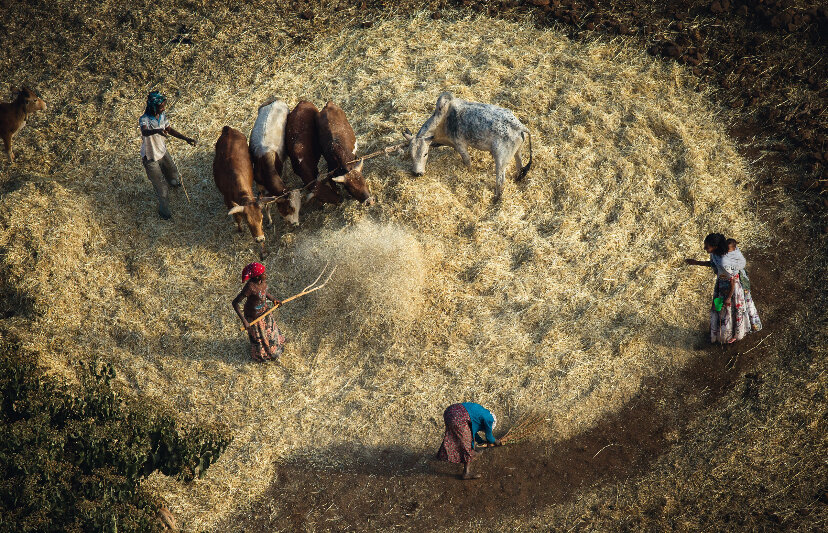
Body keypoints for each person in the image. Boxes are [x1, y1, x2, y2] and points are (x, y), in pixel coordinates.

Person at [685, 233, 758, 344]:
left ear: (715, 247)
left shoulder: (725, 261)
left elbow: (733, 280)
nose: (705, 248)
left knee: (732, 310)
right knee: (725, 312)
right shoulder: (715, 254)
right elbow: (713, 264)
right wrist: (696, 262)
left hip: (732, 289)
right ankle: (726, 333)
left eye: (707, 246)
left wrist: (729, 297)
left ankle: (735, 334)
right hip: (722, 284)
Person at [139, 91, 196, 219]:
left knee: (173, 172)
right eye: (161, 106)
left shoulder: (162, 115)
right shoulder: (145, 119)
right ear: (153, 106)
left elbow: (169, 129)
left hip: (162, 152)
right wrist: (157, 131)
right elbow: (145, 131)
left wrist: (186, 138)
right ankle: (164, 212)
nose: (163, 108)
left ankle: (174, 183)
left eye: (164, 106)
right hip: (151, 158)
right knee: (162, 188)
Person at [232, 262, 285, 362]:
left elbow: (264, 292)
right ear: (256, 277)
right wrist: (244, 321)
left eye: (264, 272)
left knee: (270, 332)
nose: (266, 275)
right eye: (263, 273)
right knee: (260, 339)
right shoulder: (250, 287)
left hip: (265, 312)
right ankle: (263, 355)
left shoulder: (263, 282)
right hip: (254, 317)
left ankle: (274, 348)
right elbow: (235, 303)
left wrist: (273, 299)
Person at [436, 402, 502, 480]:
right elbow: (490, 437)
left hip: (449, 412)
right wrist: (497, 442)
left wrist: (481, 442)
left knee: (455, 438)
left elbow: (472, 433)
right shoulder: (490, 419)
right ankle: (466, 473)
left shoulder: (480, 413)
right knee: (468, 446)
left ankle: (442, 455)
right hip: (459, 418)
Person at [726, 238, 762, 332]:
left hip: (742, 284)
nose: (727, 251)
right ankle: (746, 327)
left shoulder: (736, 256)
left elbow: (735, 271)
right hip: (740, 283)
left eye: (728, 249)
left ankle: (753, 325)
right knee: (742, 305)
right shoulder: (731, 254)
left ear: (734, 248)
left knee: (747, 304)